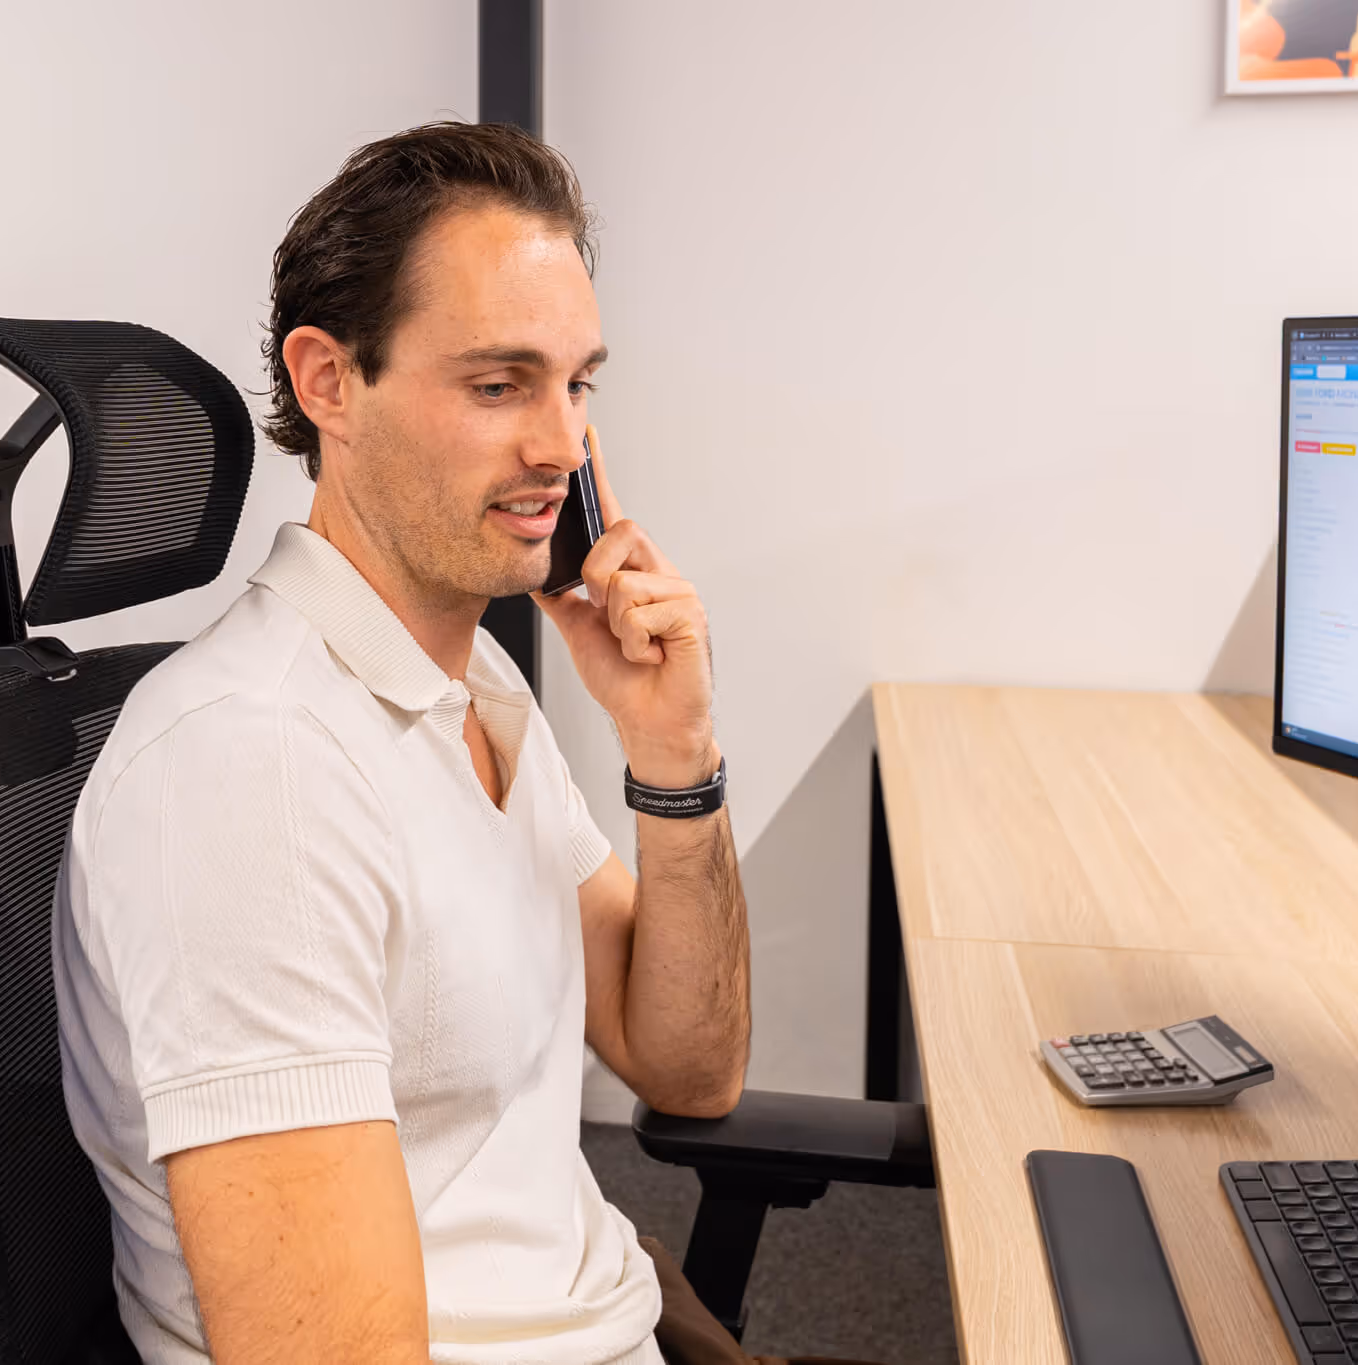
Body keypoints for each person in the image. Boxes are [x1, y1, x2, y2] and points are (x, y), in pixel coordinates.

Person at [52, 122, 862, 1365]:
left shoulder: (469, 680)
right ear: (328, 381)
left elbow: (684, 1069)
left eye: (576, 383)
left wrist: (674, 761)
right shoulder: (252, 772)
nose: (559, 448)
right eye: (497, 386)